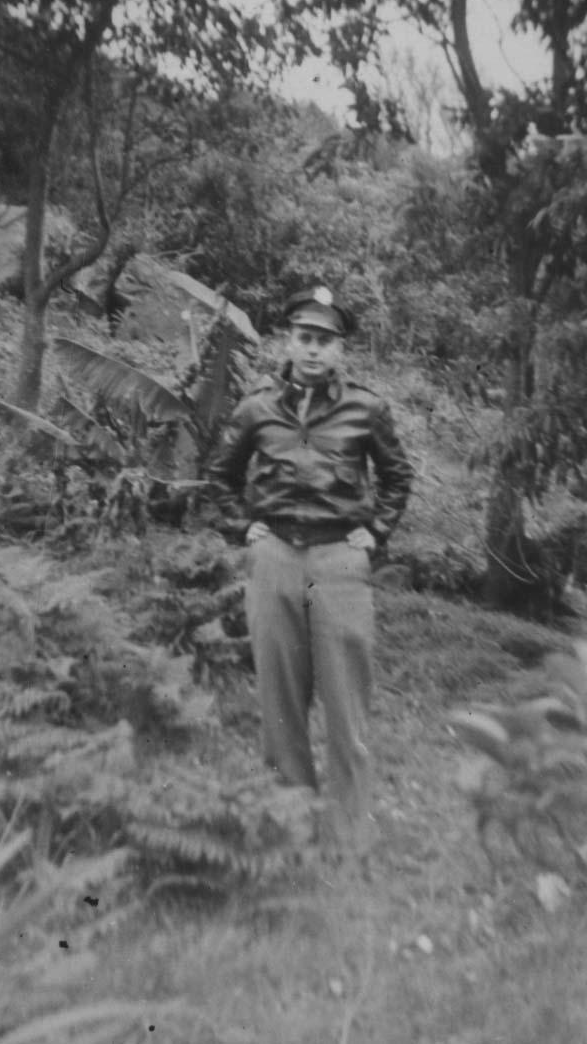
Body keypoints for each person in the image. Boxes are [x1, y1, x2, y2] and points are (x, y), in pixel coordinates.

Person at [207, 285, 413, 847]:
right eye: (305, 337)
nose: (314, 349)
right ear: (288, 341)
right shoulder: (256, 407)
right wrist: (241, 525)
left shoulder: (366, 409)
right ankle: (291, 821)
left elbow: (398, 476)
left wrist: (375, 533)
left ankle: (348, 833)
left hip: (339, 560)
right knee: (279, 698)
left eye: (325, 340)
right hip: (274, 556)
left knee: (347, 699)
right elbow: (221, 474)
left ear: (340, 348)